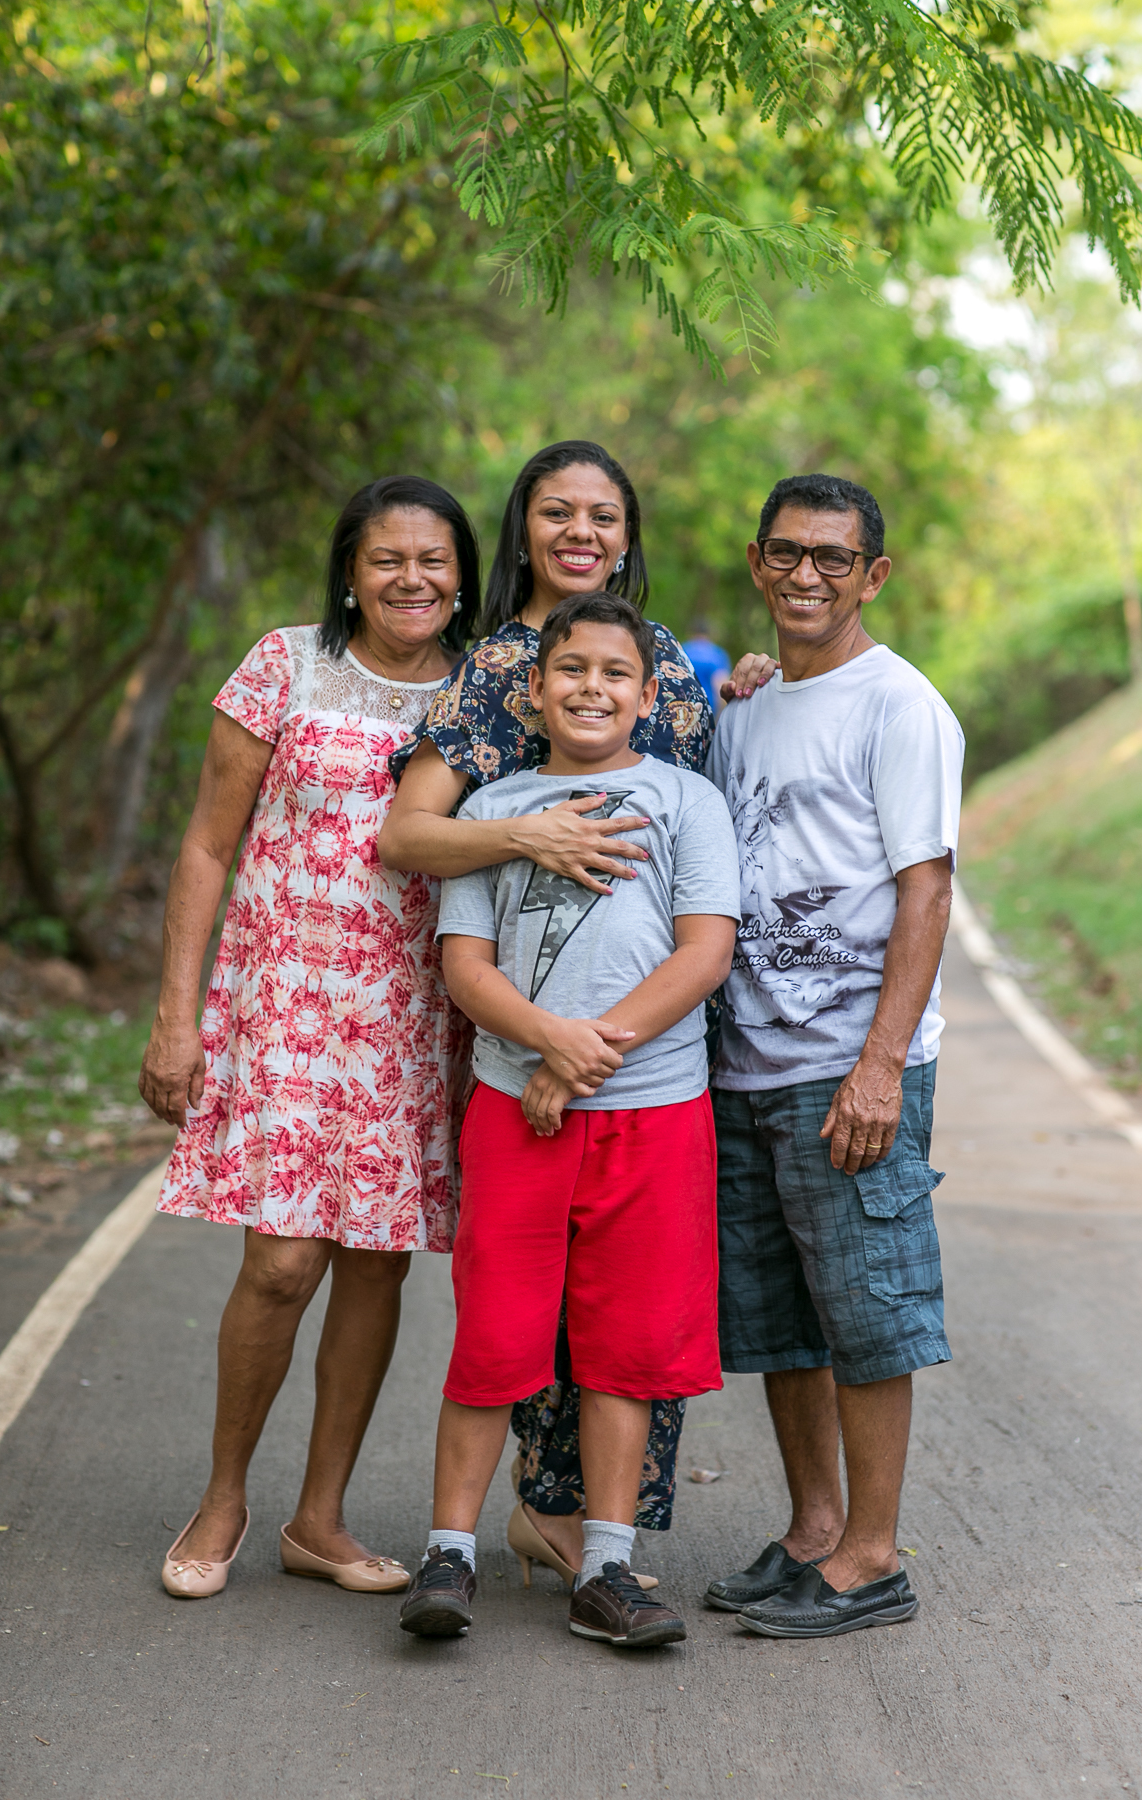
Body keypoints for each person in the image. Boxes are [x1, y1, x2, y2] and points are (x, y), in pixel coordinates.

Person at [380, 439, 775, 1586]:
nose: (582, 531)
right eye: (557, 511)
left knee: (629, 1326)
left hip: (640, 1056)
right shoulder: (499, 663)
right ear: (523, 526)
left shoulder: (669, 668)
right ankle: (511, 1521)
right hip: (525, 1029)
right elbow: (415, 837)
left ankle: (595, 1539)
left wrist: (749, 684)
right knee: (510, 1318)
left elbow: (704, 857)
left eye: (604, 513)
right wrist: (528, 835)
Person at [138, 476, 478, 1600]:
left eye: (435, 561)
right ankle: (224, 1496)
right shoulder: (282, 665)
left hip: (417, 1019)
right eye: (389, 559)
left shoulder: (486, 693)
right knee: (282, 1265)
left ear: (463, 576)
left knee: (378, 1265)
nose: (413, 579)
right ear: (350, 570)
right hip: (283, 1008)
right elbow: (204, 848)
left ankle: (320, 1518)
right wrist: (175, 1015)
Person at [702, 473, 963, 1639]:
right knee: (778, 1316)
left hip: (852, 1063)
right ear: (758, 562)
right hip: (749, 1059)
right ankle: (813, 1531)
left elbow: (926, 888)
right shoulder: (741, 709)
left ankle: (872, 1554)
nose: (808, 575)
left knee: (865, 1311)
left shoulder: (900, 705)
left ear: (873, 575)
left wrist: (880, 1063)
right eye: (788, 553)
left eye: (834, 558)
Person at [683, 619, 732, 713]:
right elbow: (720, 685)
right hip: (708, 710)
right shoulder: (717, 654)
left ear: (691, 633)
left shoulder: (682, 650)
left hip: (683, 710)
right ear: (709, 634)